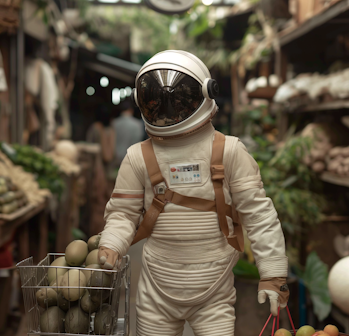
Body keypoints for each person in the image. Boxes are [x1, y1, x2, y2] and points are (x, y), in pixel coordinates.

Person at [97, 50, 289, 336]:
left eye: (176, 100)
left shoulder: (229, 151)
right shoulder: (138, 157)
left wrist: (273, 273)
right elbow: (123, 213)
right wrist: (111, 245)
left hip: (214, 287)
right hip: (158, 286)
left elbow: (258, 214)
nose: (167, 107)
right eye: (159, 101)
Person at [112, 99, 145, 166]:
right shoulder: (137, 124)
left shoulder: (114, 123)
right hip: (132, 158)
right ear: (131, 110)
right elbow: (138, 141)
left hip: (116, 157)